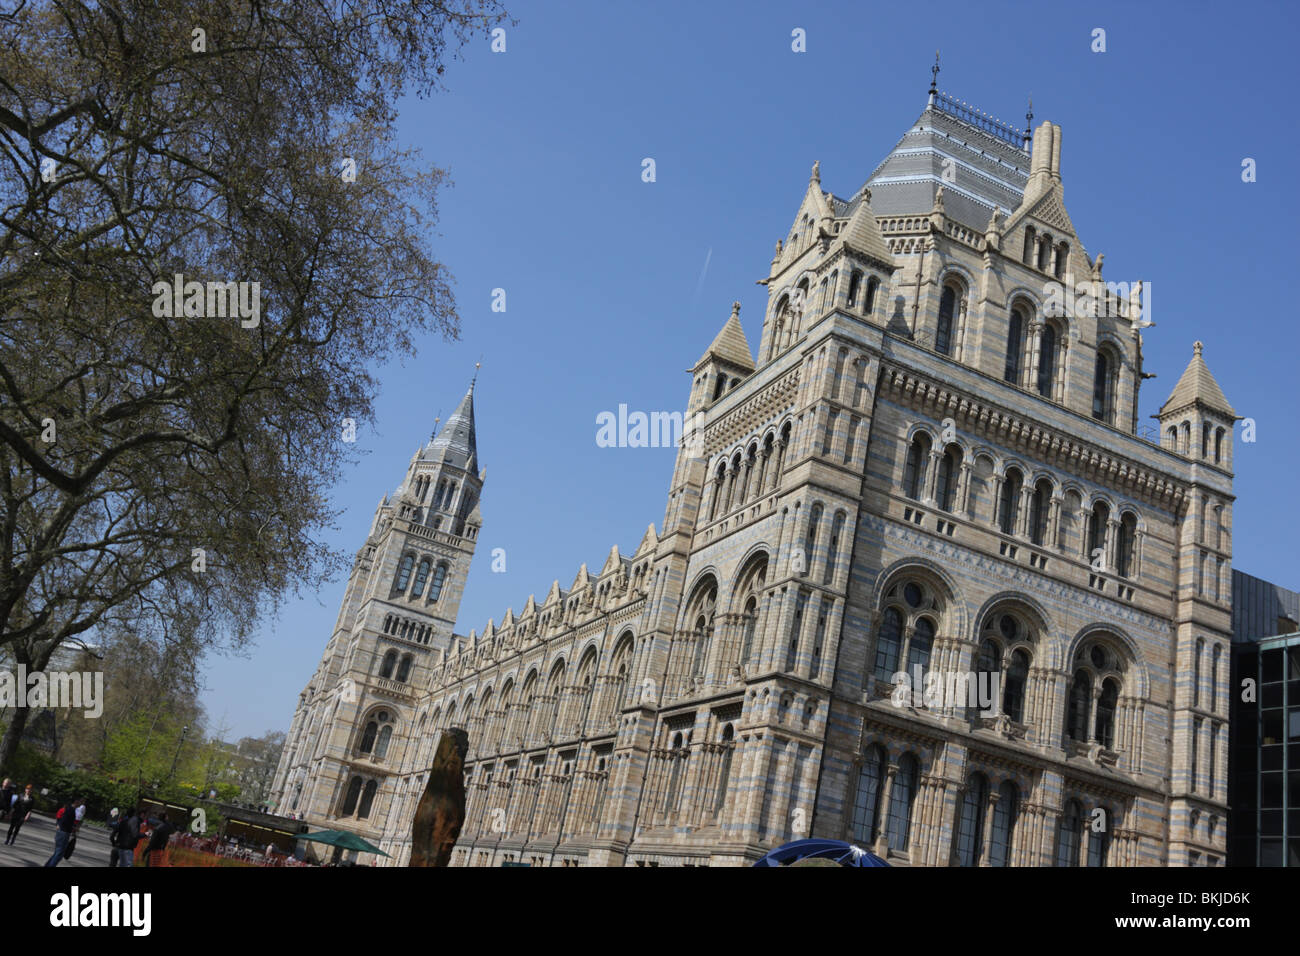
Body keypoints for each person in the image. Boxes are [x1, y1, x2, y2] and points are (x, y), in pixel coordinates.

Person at [45, 797, 84, 866]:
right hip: (64, 833)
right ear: (76, 801)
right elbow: (64, 821)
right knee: (59, 854)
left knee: (57, 853)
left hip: (62, 832)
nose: (81, 804)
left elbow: (63, 820)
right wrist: (73, 828)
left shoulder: (70, 809)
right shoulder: (70, 810)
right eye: (80, 802)